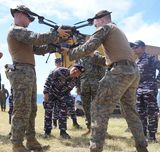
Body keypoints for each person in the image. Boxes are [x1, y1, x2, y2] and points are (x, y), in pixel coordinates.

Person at [62, 10, 148, 152]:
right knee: (130, 111)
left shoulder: (106, 28)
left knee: (98, 108)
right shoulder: (117, 31)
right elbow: (108, 61)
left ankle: (95, 149)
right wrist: (92, 55)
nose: (94, 25)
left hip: (120, 72)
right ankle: (142, 147)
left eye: (94, 22)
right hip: (132, 72)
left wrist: (70, 52)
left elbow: (89, 46)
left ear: (101, 20)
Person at [6, 5, 70, 152]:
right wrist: (55, 33)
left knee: (31, 109)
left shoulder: (22, 34)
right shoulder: (16, 30)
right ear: (21, 14)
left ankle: (31, 141)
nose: (29, 22)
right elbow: (36, 38)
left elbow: (38, 49)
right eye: (29, 18)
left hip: (28, 72)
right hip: (21, 71)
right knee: (22, 109)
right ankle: (17, 144)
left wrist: (55, 47)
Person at [132, 40, 160, 142]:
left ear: (143, 48)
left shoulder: (150, 58)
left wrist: (157, 82)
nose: (133, 49)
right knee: (140, 113)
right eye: (133, 47)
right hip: (139, 91)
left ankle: (152, 137)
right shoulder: (136, 61)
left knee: (151, 113)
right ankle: (143, 135)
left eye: (136, 47)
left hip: (149, 90)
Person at [43, 64, 85, 139]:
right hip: (51, 93)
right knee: (48, 112)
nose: (75, 72)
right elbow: (49, 79)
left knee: (63, 113)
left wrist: (78, 90)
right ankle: (47, 132)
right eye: (75, 70)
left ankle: (63, 132)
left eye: (78, 73)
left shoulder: (76, 80)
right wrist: (45, 92)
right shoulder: (60, 71)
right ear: (73, 68)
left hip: (62, 95)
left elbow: (78, 88)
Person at [75, 51, 105, 136]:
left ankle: (101, 130)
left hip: (96, 84)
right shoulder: (79, 58)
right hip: (84, 85)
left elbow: (103, 70)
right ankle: (90, 128)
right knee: (86, 107)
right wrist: (77, 86)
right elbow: (77, 73)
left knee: (98, 107)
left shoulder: (96, 56)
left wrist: (102, 84)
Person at [52, 58, 82, 129]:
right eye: (57, 63)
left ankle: (75, 122)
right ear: (55, 64)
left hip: (66, 93)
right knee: (55, 108)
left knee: (71, 103)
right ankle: (54, 124)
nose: (59, 64)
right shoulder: (54, 72)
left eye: (60, 62)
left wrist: (77, 88)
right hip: (56, 92)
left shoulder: (66, 71)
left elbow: (75, 80)